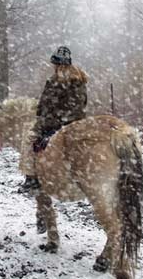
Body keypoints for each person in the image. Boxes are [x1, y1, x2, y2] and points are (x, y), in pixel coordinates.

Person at [21, 46, 88, 192]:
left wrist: (46, 122)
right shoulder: (78, 79)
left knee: (30, 139)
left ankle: (32, 178)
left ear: (60, 65)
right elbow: (78, 105)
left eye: (56, 65)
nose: (54, 67)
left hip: (59, 124)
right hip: (72, 121)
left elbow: (54, 107)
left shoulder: (60, 81)